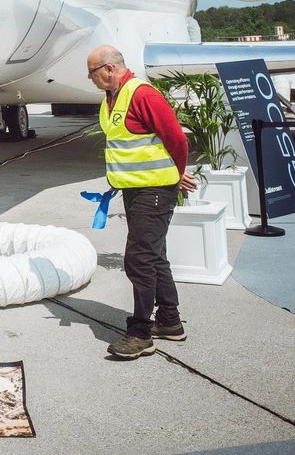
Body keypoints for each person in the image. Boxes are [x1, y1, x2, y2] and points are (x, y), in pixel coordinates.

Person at [87, 44, 197, 360]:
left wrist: (176, 175)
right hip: (135, 191)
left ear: (108, 69)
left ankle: (140, 333)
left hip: (155, 191)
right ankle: (170, 322)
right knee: (153, 256)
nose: (90, 79)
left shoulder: (143, 94)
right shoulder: (111, 98)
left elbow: (176, 138)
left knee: (138, 259)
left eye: (92, 72)